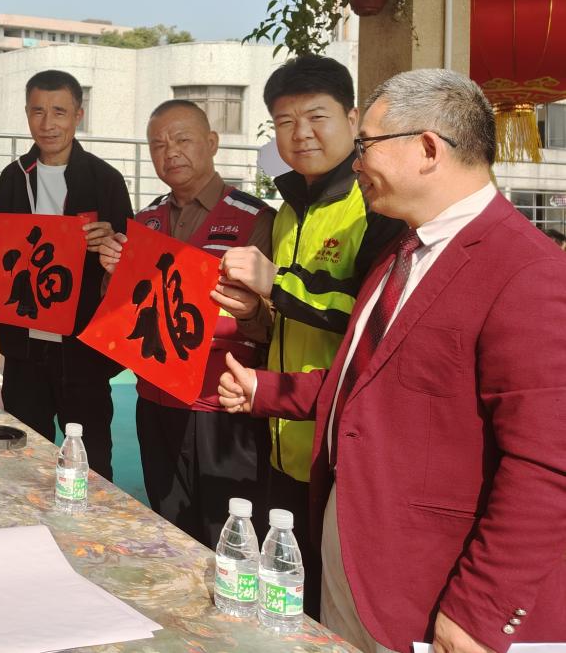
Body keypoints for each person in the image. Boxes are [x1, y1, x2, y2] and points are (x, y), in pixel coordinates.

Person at [219, 69, 566, 652]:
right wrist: (267, 390)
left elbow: (546, 465)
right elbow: (367, 381)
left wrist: (480, 610)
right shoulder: (403, 250)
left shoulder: (528, 272)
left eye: (367, 146)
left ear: (428, 149)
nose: (356, 163)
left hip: (431, 588)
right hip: (356, 560)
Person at [215, 54, 403, 615]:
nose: (301, 134)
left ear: (353, 119)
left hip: (343, 447)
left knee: (336, 606)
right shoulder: (287, 208)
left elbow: (376, 314)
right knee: (284, 596)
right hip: (281, 434)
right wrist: (254, 309)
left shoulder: (377, 204)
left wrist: (276, 282)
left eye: (316, 117)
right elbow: (285, 315)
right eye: (285, 122)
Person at [96, 99, 274, 547]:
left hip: (223, 407)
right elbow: (120, 313)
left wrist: (251, 312)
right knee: (168, 531)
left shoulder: (254, 219)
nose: (170, 151)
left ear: (212, 143)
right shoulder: (144, 222)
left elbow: (277, 324)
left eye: (182, 139)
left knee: (229, 537)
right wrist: (112, 273)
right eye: (158, 144)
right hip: (155, 403)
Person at [0, 69, 132, 482]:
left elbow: (131, 265)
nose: (48, 123)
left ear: (78, 115)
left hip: (83, 350)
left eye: (59, 111)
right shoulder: (14, 176)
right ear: (26, 114)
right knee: (20, 458)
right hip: (25, 348)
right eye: (37, 111)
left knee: (92, 464)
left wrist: (113, 245)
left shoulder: (106, 180)